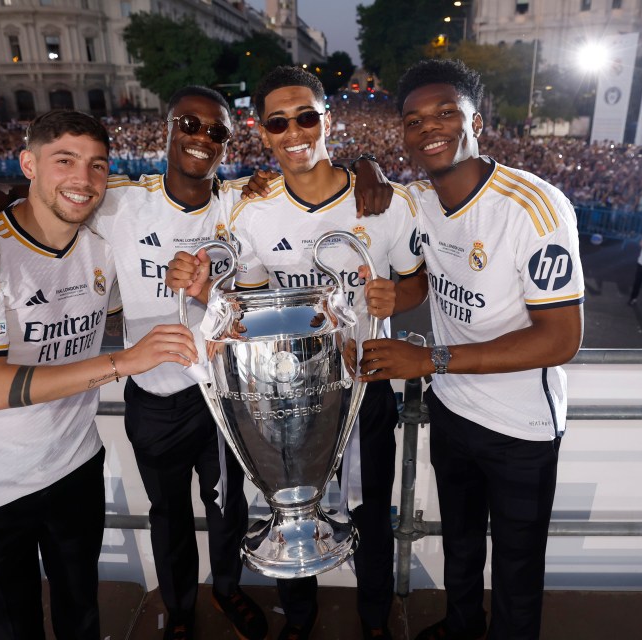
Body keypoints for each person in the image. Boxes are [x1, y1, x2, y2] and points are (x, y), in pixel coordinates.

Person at [0, 88, 271, 640]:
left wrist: (211, 290)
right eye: (190, 124)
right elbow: (37, 193)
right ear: (167, 128)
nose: (202, 138)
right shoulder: (116, 204)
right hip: (150, 399)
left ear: (229, 144)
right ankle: (180, 611)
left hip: (216, 397)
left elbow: (260, 290)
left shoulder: (243, 201)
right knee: (169, 516)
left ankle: (227, 590)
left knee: (228, 509)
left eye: (217, 132)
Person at [167, 66, 426, 640]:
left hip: (364, 382)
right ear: (262, 132)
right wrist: (198, 282)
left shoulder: (386, 201)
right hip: (281, 387)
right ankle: (299, 619)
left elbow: (415, 281)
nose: (295, 131)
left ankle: (375, 622)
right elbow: (249, 297)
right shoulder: (250, 205)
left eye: (306, 116)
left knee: (370, 510)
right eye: (278, 122)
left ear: (326, 120)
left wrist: (395, 296)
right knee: (288, 510)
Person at [358, 59, 585, 640]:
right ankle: (462, 626)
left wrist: (430, 359)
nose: (429, 127)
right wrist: (365, 166)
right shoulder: (417, 201)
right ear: (403, 135)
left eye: (445, 112)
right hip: (454, 409)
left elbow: (561, 339)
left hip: (521, 428)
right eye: (413, 120)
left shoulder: (535, 206)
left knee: (515, 568)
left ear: (476, 121)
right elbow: (424, 278)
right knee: (459, 543)